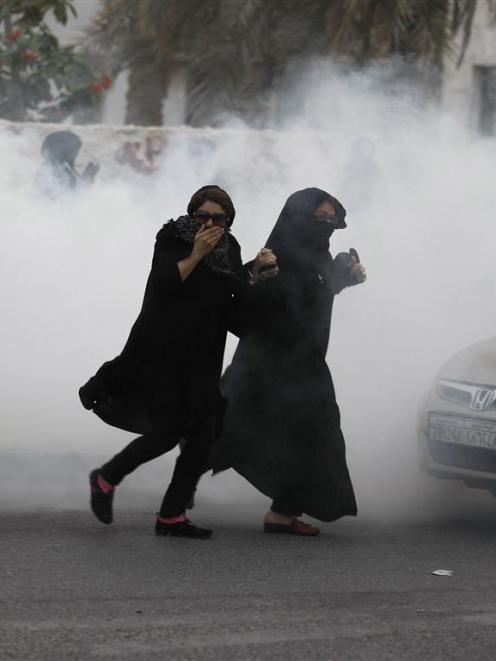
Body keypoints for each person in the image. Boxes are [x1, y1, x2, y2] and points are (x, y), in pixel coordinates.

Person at [79, 185, 277, 539]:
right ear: (192, 215)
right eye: (203, 215)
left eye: (219, 218)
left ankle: (171, 515)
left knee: (202, 435)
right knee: (168, 433)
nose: (210, 223)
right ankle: (106, 478)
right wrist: (198, 252)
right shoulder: (174, 236)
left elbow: (231, 302)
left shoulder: (230, 248)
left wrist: (254, 276)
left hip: (203, 352)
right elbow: (165, 282)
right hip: (164, 349)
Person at [212, 188, 366, 536]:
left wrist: (348, 277)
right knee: (228, 429)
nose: (325, 225)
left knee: (318, 437)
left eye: (331, 220)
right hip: (266, 366)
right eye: (319, 218)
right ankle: (176, 490)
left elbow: (317, 292)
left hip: (308, 366)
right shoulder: (271, 260)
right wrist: (258, 279)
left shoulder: (319, 257)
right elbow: (242, 315)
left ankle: (283, 513)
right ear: (299, 218)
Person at [35, 130, 99, 196]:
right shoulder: (55, 170)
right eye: (74, 150)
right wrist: (88, 176)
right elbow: (73, 198)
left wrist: (89, 175)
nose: (77, 154)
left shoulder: (63, 167)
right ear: (65, 151)